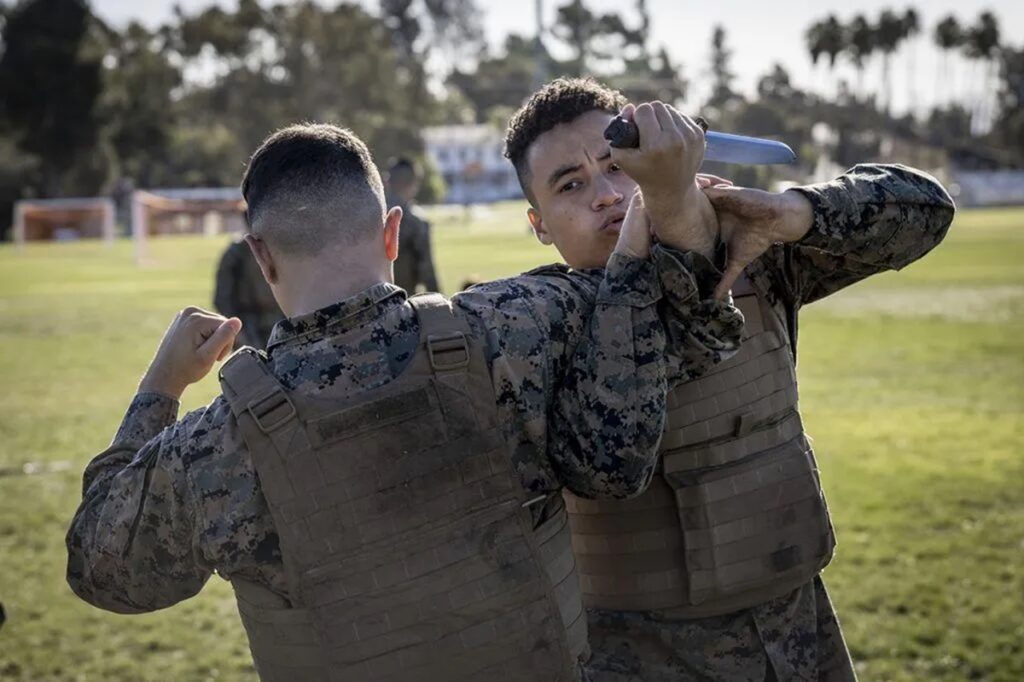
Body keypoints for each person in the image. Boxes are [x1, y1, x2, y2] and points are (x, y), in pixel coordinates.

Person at [65, 123, 743, 680]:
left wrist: (161, 387)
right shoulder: (521, 323)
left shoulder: (215, 446)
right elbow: (683, 336)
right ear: (393, 233)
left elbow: (102, 570)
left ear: (261, 258)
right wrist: (658, 212)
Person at [502, 77, 956, 681]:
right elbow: (605, 467)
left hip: (799, 631)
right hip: (642, 659)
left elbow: (926, 210)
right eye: (572, 184)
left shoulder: (748, 254)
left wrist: (795, 213)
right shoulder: (537, 321)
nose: (608, 195)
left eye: (619, 166)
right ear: (540, 224)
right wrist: (645, 255)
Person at [213, 237, 282, 348]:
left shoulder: (285, 246)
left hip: (279, 322)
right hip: (248, 325)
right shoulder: (237, 252)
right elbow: (223, 299)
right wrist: (236, 332)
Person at [385, 157, 440, 293]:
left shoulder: (370, 215)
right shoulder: (416, 221)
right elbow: (426, 271)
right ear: (412, 183)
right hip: (402, 300)